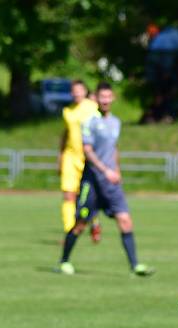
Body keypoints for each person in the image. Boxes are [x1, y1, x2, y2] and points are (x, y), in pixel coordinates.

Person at [56, 83, 154, 277]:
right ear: (96, 99)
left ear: (113, 98)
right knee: (80, 224)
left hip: (111, 183)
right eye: (102, 97)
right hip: (92, 182)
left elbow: (114, 149)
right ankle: (64, 261)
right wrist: (105, 170)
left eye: (109, 97)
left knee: (125, 221)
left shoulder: (116, 122)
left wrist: (116, 171)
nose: (106, 100)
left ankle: (135, 265)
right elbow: (88, 150)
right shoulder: (90, 121)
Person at [58, 80, 101, 242]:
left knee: (90, 196)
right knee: (69, 195)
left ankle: (95, 222)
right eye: (73, 91)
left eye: (79, 90)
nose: (76, 93)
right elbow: (65, 134)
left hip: (88, 158)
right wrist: (60, 156)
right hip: (71, 157)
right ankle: (69, 231)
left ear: (84, 91)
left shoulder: (92, 107)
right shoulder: (67, 111)